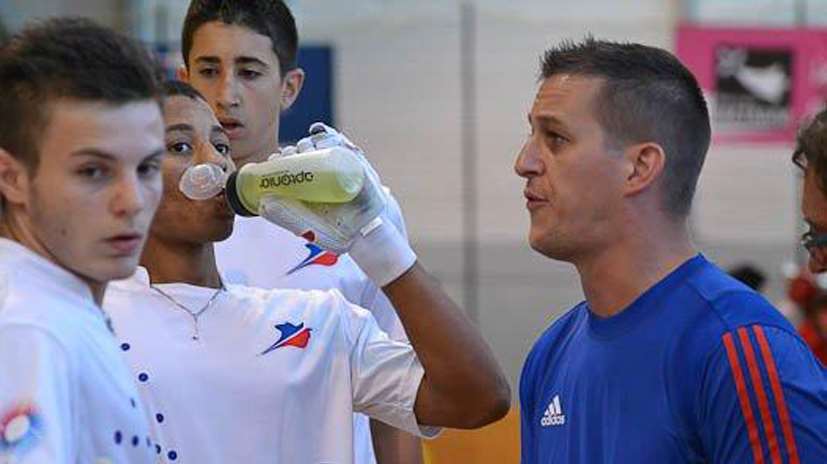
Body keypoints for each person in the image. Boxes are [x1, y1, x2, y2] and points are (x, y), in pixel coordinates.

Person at [103, 81, 510, 464]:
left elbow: (478, 397)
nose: (214, 162)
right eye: (180, 145)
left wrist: (379, 246)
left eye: (221, 146)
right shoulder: (88, 322)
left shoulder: (318, 322)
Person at [515, 38, 827, 463]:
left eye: (555, 138)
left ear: (640, 167)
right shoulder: (548, 358)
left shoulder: (741, 350)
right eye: (531, 134)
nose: (524, 161)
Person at [175, 2, 421, 462]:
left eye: (249, 72)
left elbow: (399, 404)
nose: (226, 94)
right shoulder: (150, 214)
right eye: (209, 70)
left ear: (290, 87)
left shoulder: (361, 206)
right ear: (184, 79)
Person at [0, 18, 164, 463]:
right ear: (11, 178)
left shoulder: (55, 306)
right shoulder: (31, 328)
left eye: (148, 168)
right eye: (94, 171)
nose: (131, 201)